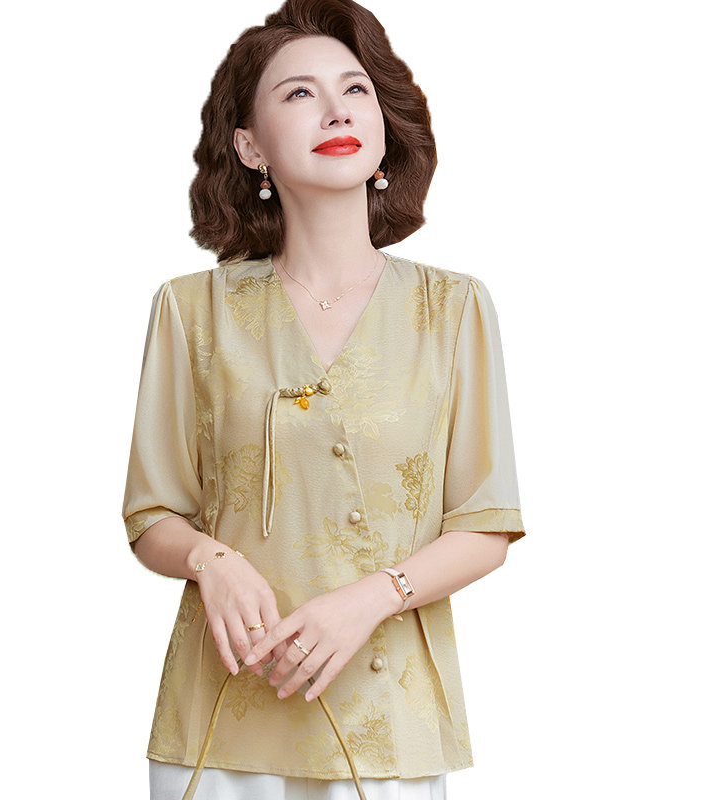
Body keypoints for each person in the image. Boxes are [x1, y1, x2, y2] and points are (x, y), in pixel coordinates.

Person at [121, 1, 527, 798]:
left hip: (389, 726)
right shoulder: (190, 310)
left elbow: (486, 524)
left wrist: (370, 601)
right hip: (222, 725)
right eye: (300, 93)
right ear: (250, 146)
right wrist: (210, 561)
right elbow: (152, 514)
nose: (337, 109)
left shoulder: (453, 309)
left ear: (381, 125)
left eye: (356, 89)